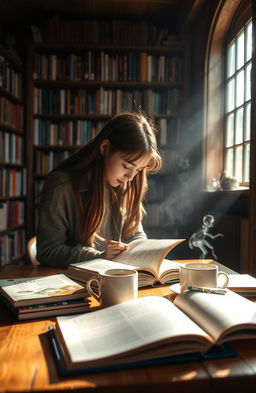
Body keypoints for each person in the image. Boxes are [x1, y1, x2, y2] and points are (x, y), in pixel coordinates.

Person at [36, 112, 162, 267]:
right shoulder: (61, 186)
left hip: (112, 277)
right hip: (72, 282)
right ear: (105, 148)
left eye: (138, 170)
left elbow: (134, 233)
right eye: (127, 166)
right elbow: (48, 251)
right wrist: (99, 256)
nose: (130, 176)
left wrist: (139, 251)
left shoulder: (124, 183)